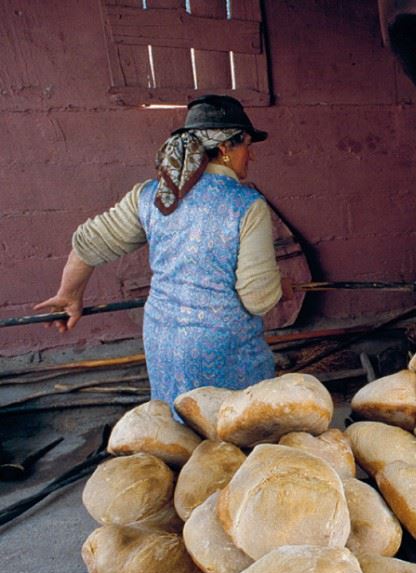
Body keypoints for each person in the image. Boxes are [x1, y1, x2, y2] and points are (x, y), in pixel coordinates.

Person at [36, 95, 282, 409]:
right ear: (224, 148)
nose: (251, 156)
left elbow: (89, 242)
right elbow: (259, 298)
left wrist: (70, 293)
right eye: (247, 145)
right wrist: (279, 290)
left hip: (163, 340)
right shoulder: (247, 205)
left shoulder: (151, 195)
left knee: (177, 433)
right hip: (223, 348)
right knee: (236, 432)